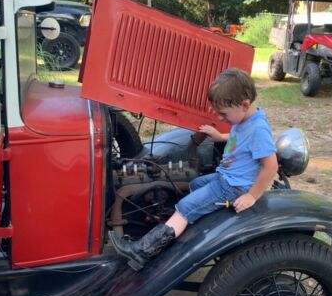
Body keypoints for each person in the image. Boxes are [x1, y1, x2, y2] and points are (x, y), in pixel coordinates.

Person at [109, 68, 278, 270]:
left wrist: (252, 196)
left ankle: (142, 252)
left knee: (185, 208)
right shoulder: (245, 119)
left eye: (223, 114)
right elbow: (239, 141)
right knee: (195, 184)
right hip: (225, 178)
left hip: (234, 188)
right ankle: (189, 228)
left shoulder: (258, 129)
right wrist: (219, 136)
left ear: (244, 104)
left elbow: (270, 166)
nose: (220, 118)